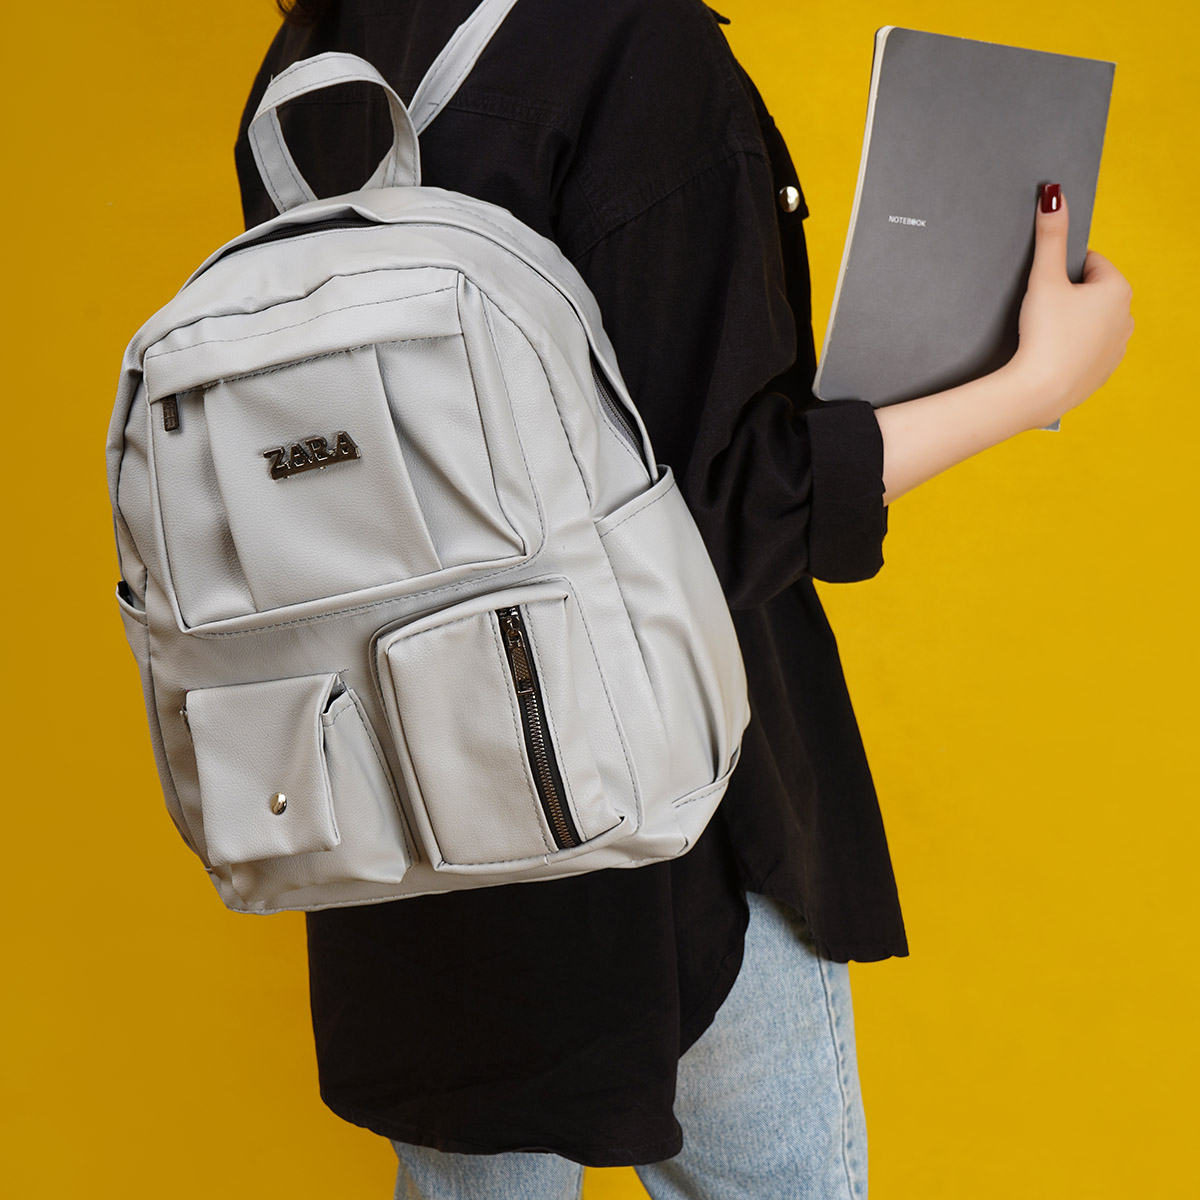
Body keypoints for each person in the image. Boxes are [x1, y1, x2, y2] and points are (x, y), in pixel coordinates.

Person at [232, 2, 1134, 1196]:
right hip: (658, 823)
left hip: (404, 818)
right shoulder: (633, 45)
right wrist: (1034, 383)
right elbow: (713, 517)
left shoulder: (313, 59)